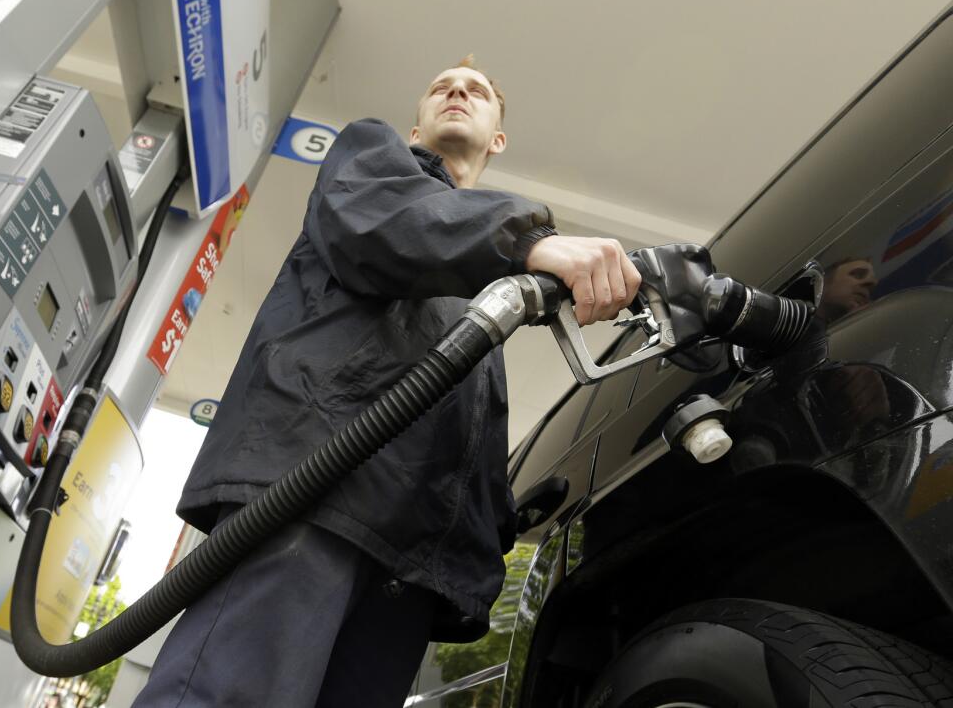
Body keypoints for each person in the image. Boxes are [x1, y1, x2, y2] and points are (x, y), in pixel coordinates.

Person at [135, 56, 641, 707]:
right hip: (316, 499)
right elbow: (385, 225)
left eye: (477, 91)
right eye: (442, 87)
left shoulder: (484, 288)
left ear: (498, 139)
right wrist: (530, 243)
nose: (458, 91)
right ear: (415, 125)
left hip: (410, 567)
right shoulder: (373, 161)